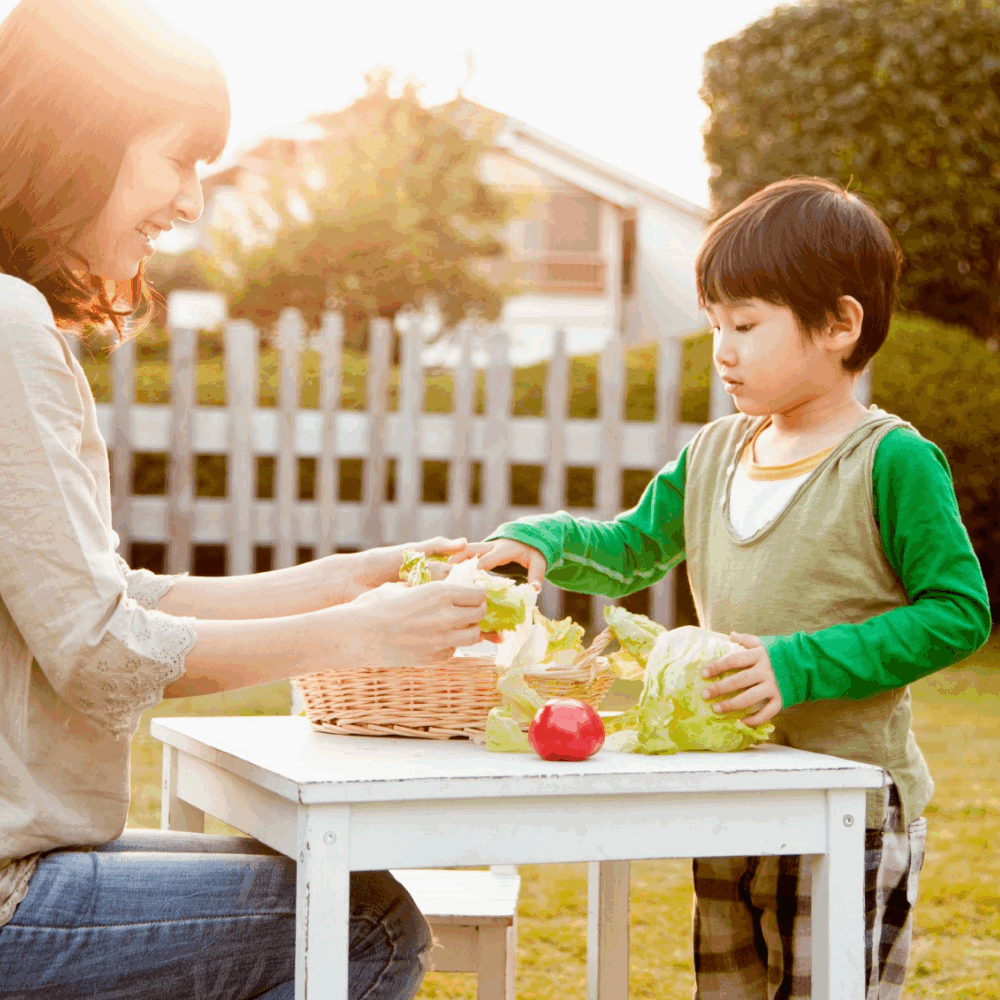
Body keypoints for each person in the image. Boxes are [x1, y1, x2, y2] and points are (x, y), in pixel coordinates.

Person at [0, 2, 489, 997]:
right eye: (178, 160)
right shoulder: (8, 328)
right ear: (83, 138)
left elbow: (105, 597)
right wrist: (359, 634)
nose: (188, 203)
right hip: (12, 897)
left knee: (349, 900)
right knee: (366, 924)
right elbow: (98, 652)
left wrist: (335, 585)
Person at [469, 176, 992, 999]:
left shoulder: (891, 460)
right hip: (735, 781)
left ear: (840, 324)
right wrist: (541, 539)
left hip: (848, 799)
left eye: (746, 324)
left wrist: (798, 665)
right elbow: (630, 547)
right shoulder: (715, 452)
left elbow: (958, 614)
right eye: (717, 325)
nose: (722, 349)